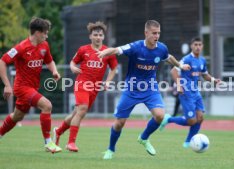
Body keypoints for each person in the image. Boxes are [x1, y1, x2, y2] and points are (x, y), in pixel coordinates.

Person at [97, 20, 190, 159]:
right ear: (146, 33)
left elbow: (168, 57)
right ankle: (110, 149)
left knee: (160, 115)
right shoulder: (136, 47)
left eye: (158, 33)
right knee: (119, 123)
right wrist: (105, 52)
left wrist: (180, 66)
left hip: (150, 88)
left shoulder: (161, 48)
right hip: (131, 88)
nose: (156, 36)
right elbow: (117, 50)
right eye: (154, 33)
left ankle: (144, 137)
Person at [52, 21, 118, 152]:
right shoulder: (83, 49)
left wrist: (108, 81)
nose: (98, 37)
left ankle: (58, 131)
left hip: (95, 87)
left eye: (100, 35)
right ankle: (71, 143)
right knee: (82, 109)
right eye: (95, 34)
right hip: (81, 83)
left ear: (103, 37)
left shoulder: (107, 52)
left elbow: (114, 68)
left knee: (76, 113)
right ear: (90, 36)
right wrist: (72, 67)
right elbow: (73, 62)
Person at [0, 17, 62, 153]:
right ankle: (48, 143)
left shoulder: (44, 46)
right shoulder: (21, 47)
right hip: (22, 88)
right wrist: (7, 85)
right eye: (45, 33)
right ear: (37, 33)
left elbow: (49, 60)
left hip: (33, 87)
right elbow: (2, 61)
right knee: (47, 105)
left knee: (17, 116)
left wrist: (54, 71)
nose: (46, 36)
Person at [159, 37, 221, 148]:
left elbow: (205, 74)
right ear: (191, 46)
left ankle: (188, 142)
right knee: (191, 121)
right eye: (195, 44)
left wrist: (213, 80)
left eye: (200, 45)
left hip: (196, 92)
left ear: (202, 46)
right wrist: (179, 85)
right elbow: (174, 70)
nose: (197, 47)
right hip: (186, 93)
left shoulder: (202, 60)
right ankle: (168, 119)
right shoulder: (186, 59)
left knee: (200, 118)